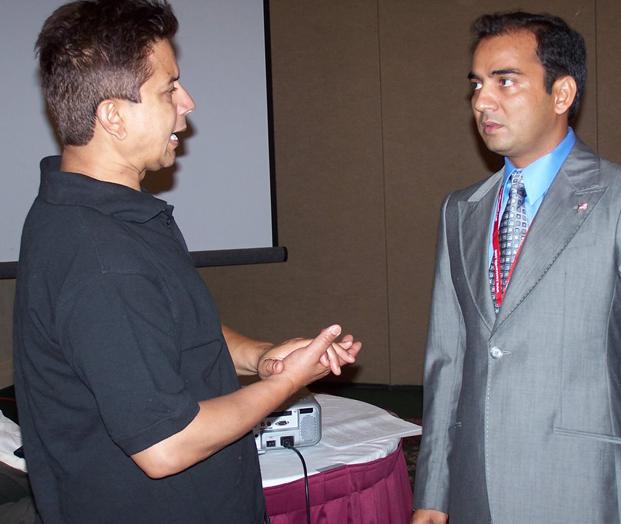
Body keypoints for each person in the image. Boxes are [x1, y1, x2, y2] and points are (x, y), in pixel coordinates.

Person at [12, 1, 361, 523]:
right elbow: (166, 446)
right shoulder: (101, 258)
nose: (187, 103)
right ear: (113, 115)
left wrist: (261, 358)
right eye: (169, 88)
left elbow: (166, 328)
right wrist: (285, 385)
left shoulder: (105, 215)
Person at [412, 11, 621, 524]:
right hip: (475, 489)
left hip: (584, 487)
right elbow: (447, 359)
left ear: (562, 93)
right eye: (476, 84)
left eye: (504, 81)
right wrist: (433, 492)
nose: (482, 101)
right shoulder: (460, 210)